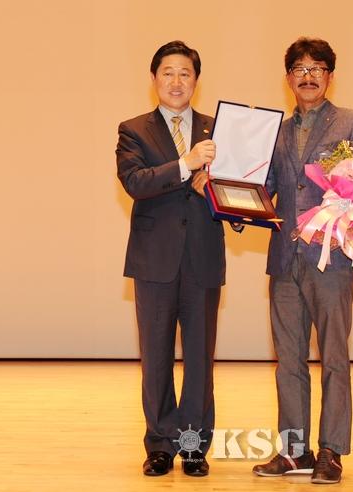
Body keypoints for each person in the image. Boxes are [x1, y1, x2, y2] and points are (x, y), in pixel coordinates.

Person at [253, 37, 353, 484]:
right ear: (288, 77)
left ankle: (331, 451)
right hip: (285, 258)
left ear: (330, 76)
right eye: (300, 68)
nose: (308, 76)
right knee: (288, 360)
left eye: (317, 68)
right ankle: (294, 451)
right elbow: (264, 188)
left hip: (333, 258)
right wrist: (231, 198)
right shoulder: (274, 131)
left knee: (334, 357)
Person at [116, 40, 224, 477]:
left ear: (196, 80)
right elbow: (135, 182)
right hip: (154, 260)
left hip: (203, 256)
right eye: (168, 72)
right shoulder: (133, 129)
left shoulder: (217, 128)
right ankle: (160, 443)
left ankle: (194, 446)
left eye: (185, 73)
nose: (176, 81)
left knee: (200, 358)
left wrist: (218, 192)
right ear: (154, 78)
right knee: (156, 356)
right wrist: (186, 164)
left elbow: (237, 191)